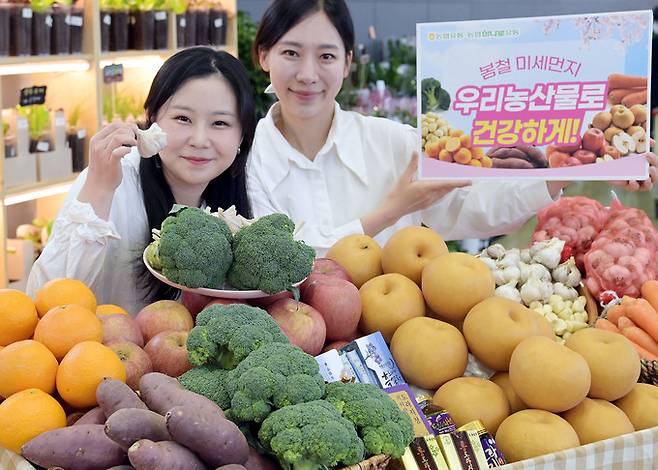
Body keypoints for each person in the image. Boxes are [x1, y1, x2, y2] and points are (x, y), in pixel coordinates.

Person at [247, 0, 658, 256]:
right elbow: (282, 258)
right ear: (263, 55)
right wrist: (395, 208)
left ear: (348, 63)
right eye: (290, 53)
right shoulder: (248, 160)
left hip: (400, 346)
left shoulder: (392, 142)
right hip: (290, 345)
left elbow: (471, 210)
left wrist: (571, 172)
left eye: (326, 56)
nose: (307, 73)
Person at [26, 47, 256, 314]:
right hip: (98, 352)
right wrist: (99, 188)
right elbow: (46, 300)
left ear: (241, 135)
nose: (199, 140)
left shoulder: (238, 195)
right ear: (153, 119)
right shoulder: (115, 179)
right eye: (183, 118)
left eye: (220, 123)